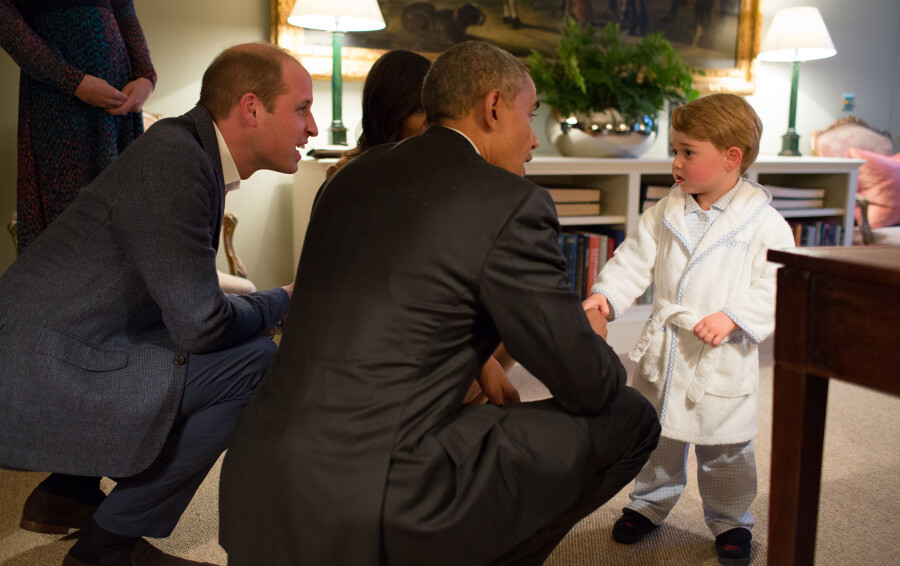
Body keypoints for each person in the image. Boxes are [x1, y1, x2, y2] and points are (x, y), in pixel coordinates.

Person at [219, 40, 661, 566]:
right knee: (631, 416)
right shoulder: (510, 204)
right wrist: (589, 336)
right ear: (493, 107)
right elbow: (586, 384)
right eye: (530, 114)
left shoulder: (347, 178)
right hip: (375, 502)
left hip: (257, 482)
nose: (534, 140)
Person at [0, 42, 318, 566]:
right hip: (39, 370)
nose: (311, 127)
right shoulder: (177, 161)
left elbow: (182, 299)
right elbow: (200, 326)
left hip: (63, 346)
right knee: (258, 364)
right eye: (301, 108)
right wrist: (281, 300)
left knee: (242, 345)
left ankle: (68, 493)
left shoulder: (184, 150)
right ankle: (107, 549)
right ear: (251, 108)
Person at [583, 93, 795, 566]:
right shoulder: (665, 211)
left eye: (687, 152)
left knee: (725, 449)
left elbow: (776, 281)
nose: (675, 163)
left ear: (731, 157)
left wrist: (735, 316)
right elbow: (633, 259)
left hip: (721, 355)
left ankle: (732, 519)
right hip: (668, 348)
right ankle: (648, 503)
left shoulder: (764, 223)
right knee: (659, 437)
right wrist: (608, 295)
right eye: (674, 150)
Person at [0, 0, 156, 252]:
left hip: (119, 101)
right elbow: (8, 24)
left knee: (125, 215)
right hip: (58, 99)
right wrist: (72, 81)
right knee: (68, 222)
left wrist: (145, 76)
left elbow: (124, 9)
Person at [326, 49, 431, 179]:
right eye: (420, 110)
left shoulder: (443, 168)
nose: (433, 119)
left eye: (435, 108)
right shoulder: (346, 173)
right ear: (390, 112)